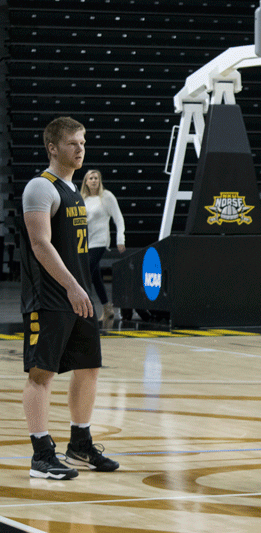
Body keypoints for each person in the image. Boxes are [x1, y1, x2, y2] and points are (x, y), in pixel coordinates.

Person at [20, 116, 120, 479]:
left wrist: (81, 289)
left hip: (77, 295)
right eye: (72, 143)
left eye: (83, 142)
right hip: (50, 296)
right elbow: (40, 244)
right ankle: (41, 454)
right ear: (53, 148)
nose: (80, 149)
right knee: (41, 374)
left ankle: (80, 444)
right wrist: (71, 286)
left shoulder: (74, 190)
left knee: (89, 367)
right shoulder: (40, 187)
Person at [80, 169, 125, 325]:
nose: (93, 180)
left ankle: (84, 309)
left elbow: (118, 218)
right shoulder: (82, 199)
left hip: (100, 241)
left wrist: (120, 239)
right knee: (95, 277)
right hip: (86, 241)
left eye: (96, 178)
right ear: (85, 181)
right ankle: (107, 308)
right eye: (90, 178)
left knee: (86, 270)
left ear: (99, 181)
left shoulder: (106, 196)